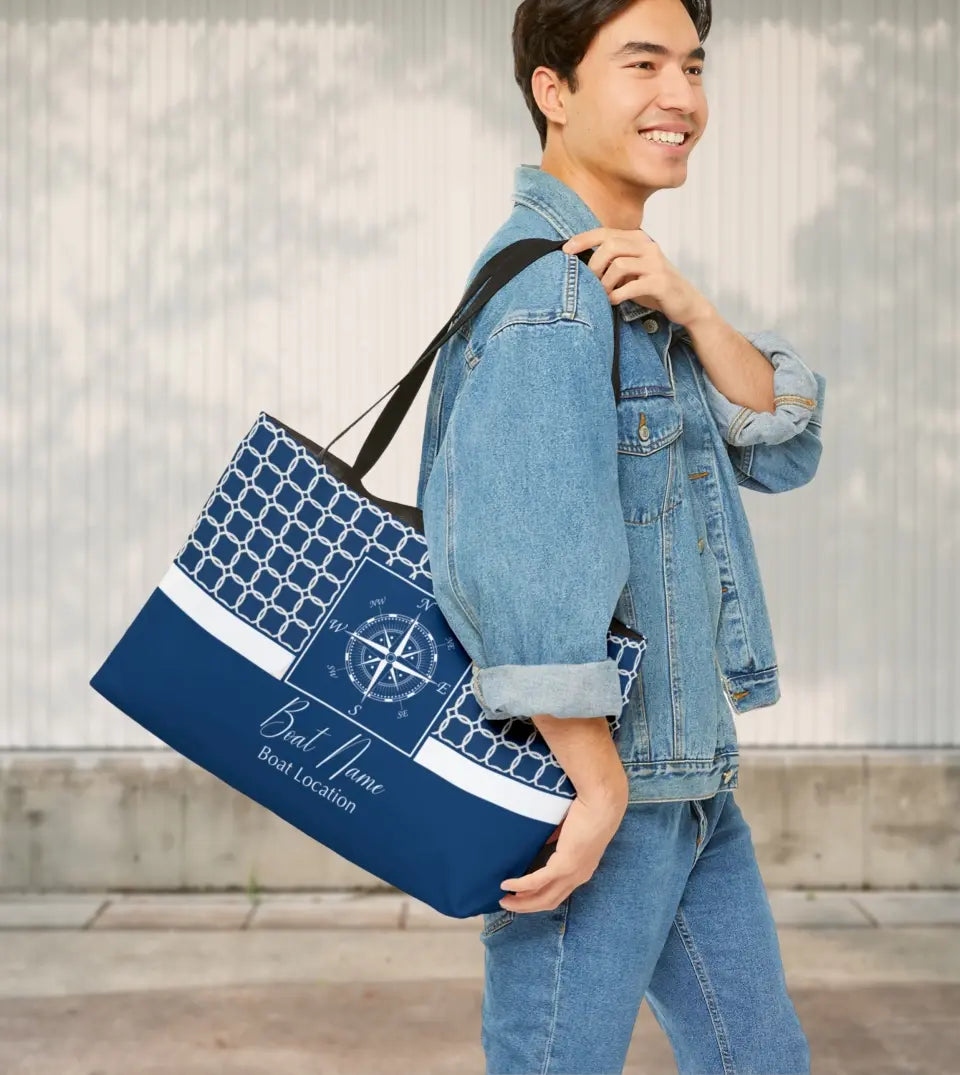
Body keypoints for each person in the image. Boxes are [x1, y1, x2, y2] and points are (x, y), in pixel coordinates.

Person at [416, 0, 826, 1071]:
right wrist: (596, 790)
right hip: (613, 792)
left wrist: (696, 311)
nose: (682, 96)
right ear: (553, 91)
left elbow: (782, 443)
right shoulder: (553, 296)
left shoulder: (623, 281)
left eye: (693, 64)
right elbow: (516, 558)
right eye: (642, 63)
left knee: (762, 1060)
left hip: (687, 780)